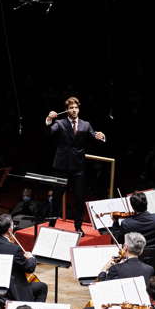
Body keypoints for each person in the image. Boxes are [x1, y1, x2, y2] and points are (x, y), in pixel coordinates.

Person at [44, 96, 106, 231]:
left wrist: (100, 137)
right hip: (61, 167)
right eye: (71, 108)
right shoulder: (59, 123)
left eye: (76, 107)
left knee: (79, 198)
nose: (74, 110)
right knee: (56, 198)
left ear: (79, 109)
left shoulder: (86, 124)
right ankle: (52, 225)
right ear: (66, 110)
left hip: (78, 168)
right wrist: (49, 120)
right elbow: (49, 132)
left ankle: (78, 227)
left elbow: (94, 136)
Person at [0, 214, 47, 302]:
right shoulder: (14, 249)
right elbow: (29, 268)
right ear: (10, 230)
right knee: (42, 287)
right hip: (10, 290)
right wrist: (31, 258)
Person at [115, 191, 155, 275]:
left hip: (136, 261)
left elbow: (119, 240)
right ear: (147, 203)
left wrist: (115, 222)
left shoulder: (126, 223)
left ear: (132, 206)